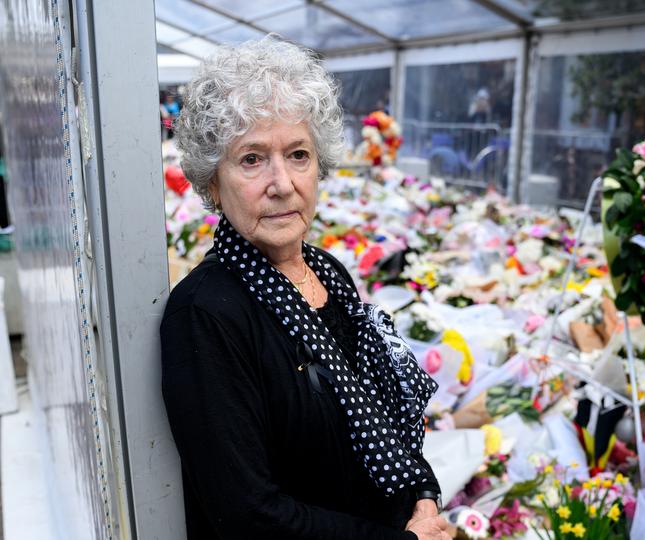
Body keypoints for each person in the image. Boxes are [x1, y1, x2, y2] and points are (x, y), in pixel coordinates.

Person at [161, 36, 450, 540]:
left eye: (298, 154)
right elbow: (248, 515)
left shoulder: (327, 271)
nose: (282, 183)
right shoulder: (205, 314)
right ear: (212, 181)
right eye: (252, 159)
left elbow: (376, 411)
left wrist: (421, 498)